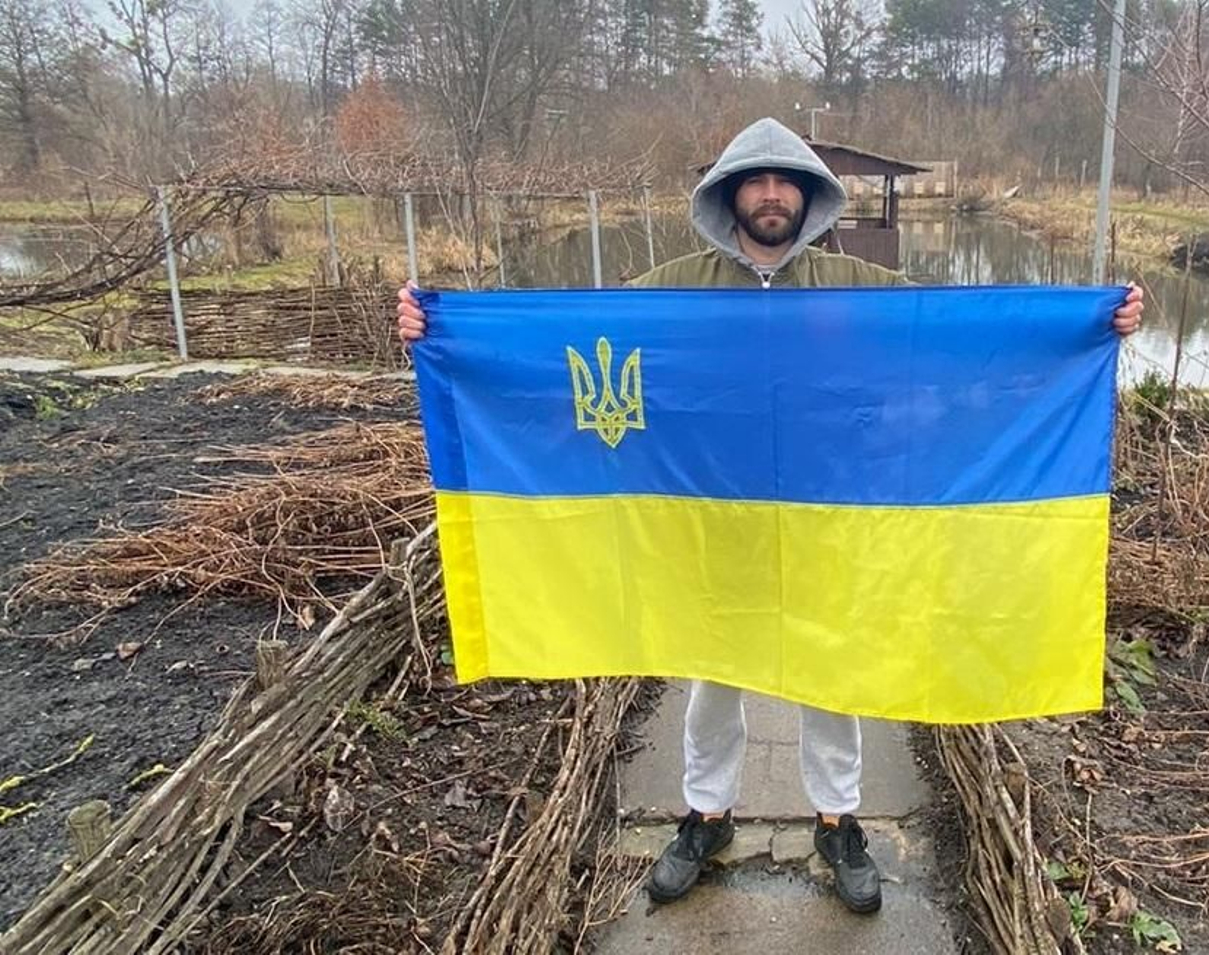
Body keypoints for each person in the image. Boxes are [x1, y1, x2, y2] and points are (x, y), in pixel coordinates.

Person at [396, 117, 1144, 916]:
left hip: (828, 518)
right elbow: (563, 347)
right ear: (729, 196)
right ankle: (706, 814)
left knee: (834, 673)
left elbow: (955, 340)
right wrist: (439, 331)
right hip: (716, 522)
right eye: (756, 180)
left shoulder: (854, 286)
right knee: (711, 677)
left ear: (810, 196)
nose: (772, 193)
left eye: (786, 180)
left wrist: (1092, 325)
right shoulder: (672, 289)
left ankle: (838, 821)